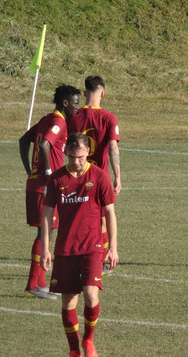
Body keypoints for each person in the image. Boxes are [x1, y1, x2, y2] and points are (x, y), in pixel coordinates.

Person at [40, 133, 119, 357]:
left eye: (81, 157)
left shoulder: (99, 176)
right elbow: (47, 216)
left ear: (88, 153)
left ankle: (88, 340)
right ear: (66, 153)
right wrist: (45, 248)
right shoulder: (56, 179)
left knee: (91, 294)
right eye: (72, 157)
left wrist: (113, 247)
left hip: (93, 246)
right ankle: (74, 352)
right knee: (68, 301)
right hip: (65, 248)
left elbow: (110, 213)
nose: (76, 162)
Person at [19, 84, 81, 299]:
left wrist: (30, 170)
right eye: (75, 103)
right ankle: (31, 286)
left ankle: (41, 282)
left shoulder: (46, 119)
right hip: (44, 188)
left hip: (37, 185)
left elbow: (23, 140)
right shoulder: (58, 121)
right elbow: (44, 145)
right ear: (65, 103)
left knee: (48, 232)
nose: (77, 107)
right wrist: (48, 174)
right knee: (44, 234)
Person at [66, 75, 120, 274]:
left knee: (75, 216)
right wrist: (118, 177)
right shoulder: (108, 118)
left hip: (75, 174)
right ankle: (102, 260)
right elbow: (113, 148)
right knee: (103, 218)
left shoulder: (73, 116)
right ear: (102, 93)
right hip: (99, 177)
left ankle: (75, 255)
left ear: (84, 93)